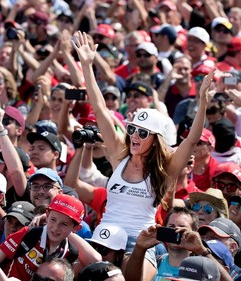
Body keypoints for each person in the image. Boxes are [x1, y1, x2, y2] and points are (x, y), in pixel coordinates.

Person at [72, 31, 215, 278]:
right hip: (103, 238)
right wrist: (86, 65)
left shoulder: (167, 168)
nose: (135, 136)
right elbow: (99, 107)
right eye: (132, 130)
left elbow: (192, 139)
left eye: (143, 132)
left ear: (157, 140)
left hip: (140, 242)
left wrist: (201, 101)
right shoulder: (119, 154)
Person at [0, 194, 101, 280]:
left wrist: (69, 232)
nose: (55, 228)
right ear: (46, 215)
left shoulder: (70, 252)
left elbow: (95, 260)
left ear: (76, 228)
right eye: (53, 219)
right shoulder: (28, 233)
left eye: (64, 224)